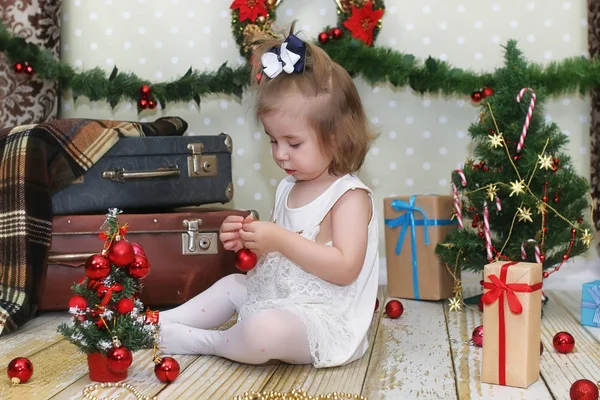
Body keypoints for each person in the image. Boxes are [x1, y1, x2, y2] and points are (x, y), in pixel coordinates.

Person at [159, 22, 379, 368]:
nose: (280, 154)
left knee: (264, 331)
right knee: (233, 284)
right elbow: (274, 264)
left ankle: (208, 341)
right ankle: (159, 323)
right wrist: (251, 242)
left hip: (322, 320)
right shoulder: (288, 187)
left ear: (337, 138)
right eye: (273, 140)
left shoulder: (349, 196)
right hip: (280, 297)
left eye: (293, 143)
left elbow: (345, 268)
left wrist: (278, 238)